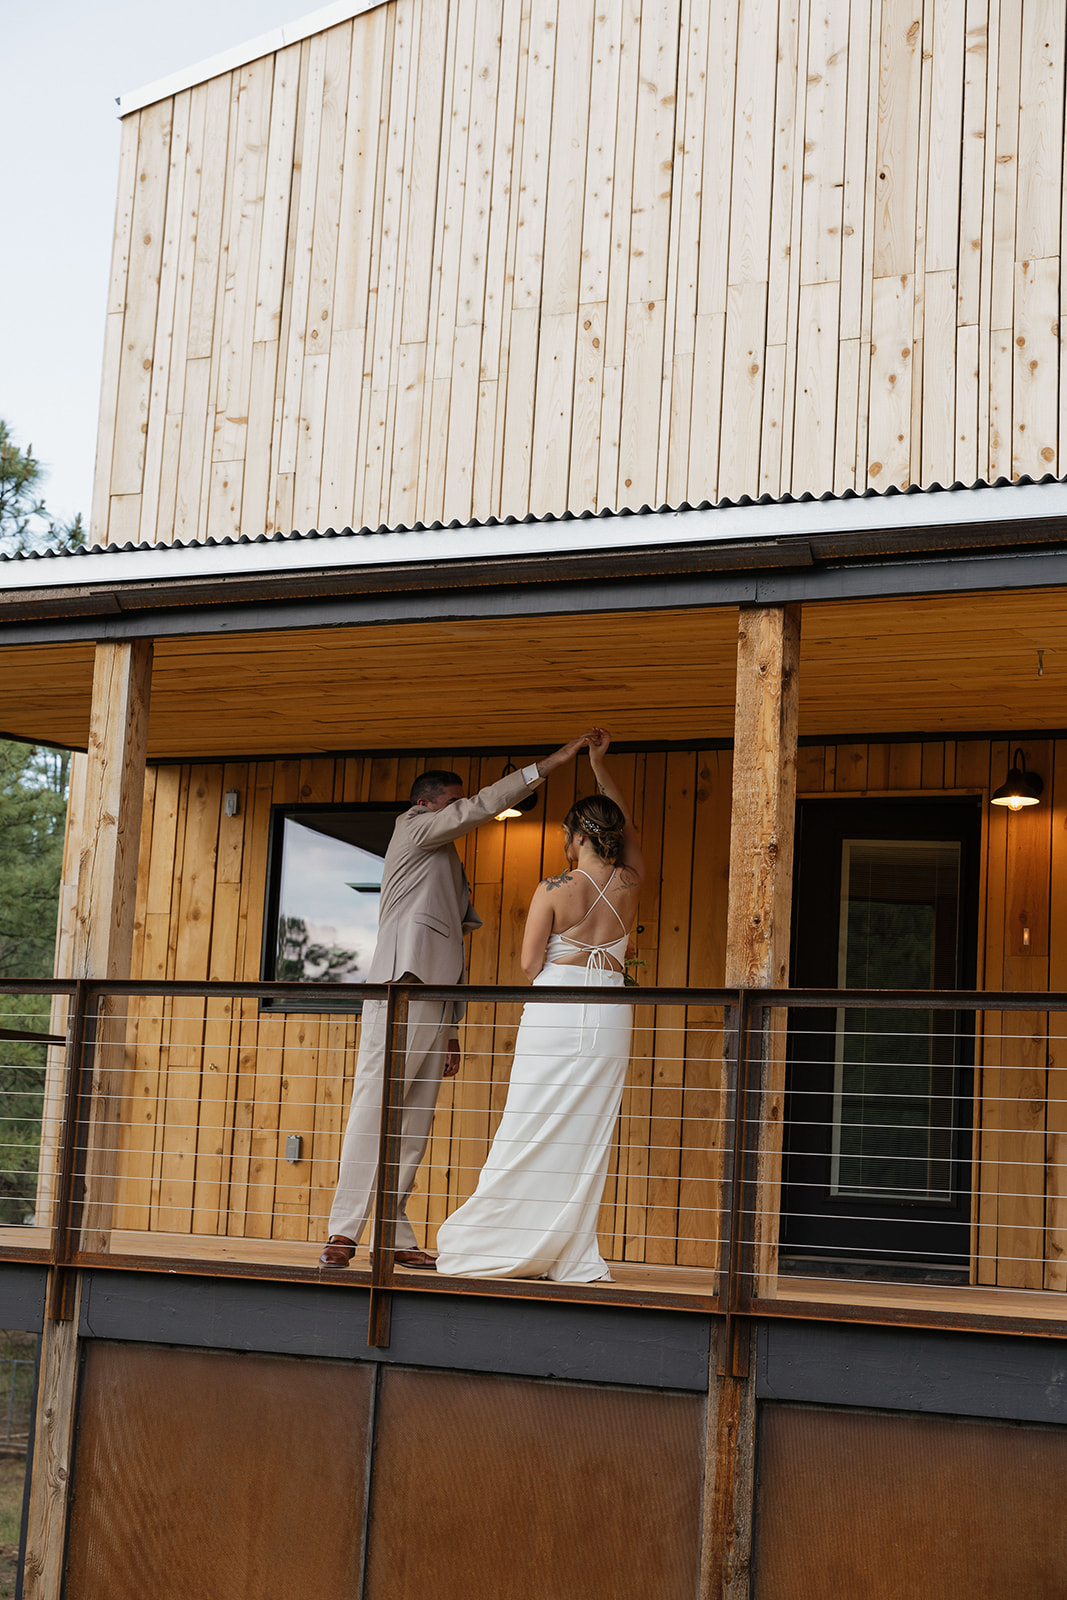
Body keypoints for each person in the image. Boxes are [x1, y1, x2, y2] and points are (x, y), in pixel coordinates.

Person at [319, 732, 596, 1268]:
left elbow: (451, 941)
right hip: (401, 989)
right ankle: (343, 1230)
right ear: (426, 803)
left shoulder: (442, 857)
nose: (462, 813)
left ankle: (393, 1235)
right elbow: (480, 807)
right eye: (453, 803)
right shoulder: (413, 828)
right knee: (375, 1107)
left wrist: (451, 1025)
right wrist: (552, 764)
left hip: (435, 997)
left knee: (414, 1122)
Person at [435, 729, 644, 1282]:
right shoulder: (630, 882)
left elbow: (530, 965)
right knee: (587, 1130)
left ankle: (496, 1239)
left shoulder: (553, 888)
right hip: (609, 1013)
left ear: (576, 836)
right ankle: (566, 1249)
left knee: (527, 1122)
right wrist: (601, 767)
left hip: (554, 1008)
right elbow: (628, 824)